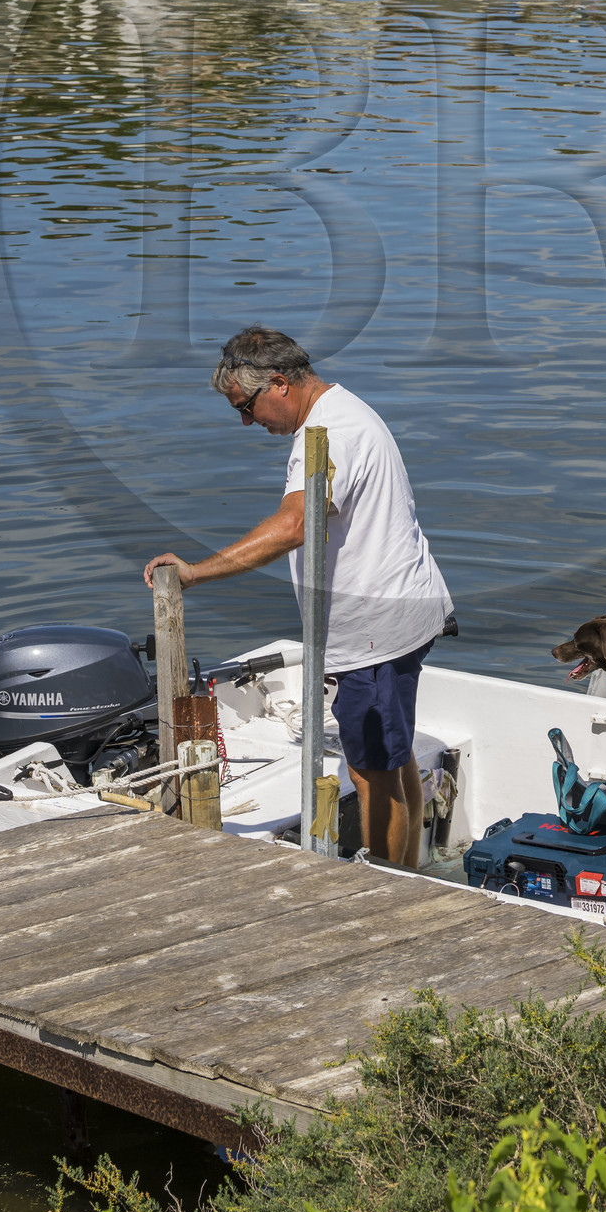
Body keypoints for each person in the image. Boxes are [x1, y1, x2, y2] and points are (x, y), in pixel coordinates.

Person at [143, 327, 453, 870]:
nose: (246, 421)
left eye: (245, 406)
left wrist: (195, 572)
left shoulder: (331, 430)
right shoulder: (339, 413)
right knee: (392, 759)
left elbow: (293, 526)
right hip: (401, 614)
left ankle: (383, 895)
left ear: (279, 384)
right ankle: (410, 877)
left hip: (376, 630)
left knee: (372, 776)